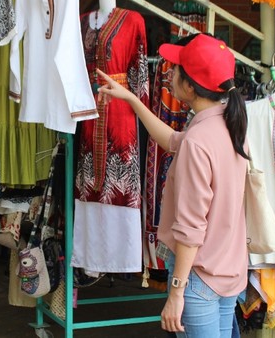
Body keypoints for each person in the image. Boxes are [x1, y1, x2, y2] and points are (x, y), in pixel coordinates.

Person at [96, 33, 249, 338]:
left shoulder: (199, 138)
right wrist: (131, 99)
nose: (169, 72)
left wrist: (176, 293)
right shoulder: (227, 124)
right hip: (229, 273)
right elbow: (171, 141)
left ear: (190, 86)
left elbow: (192, 230)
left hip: (198, 279)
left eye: (176, 68)